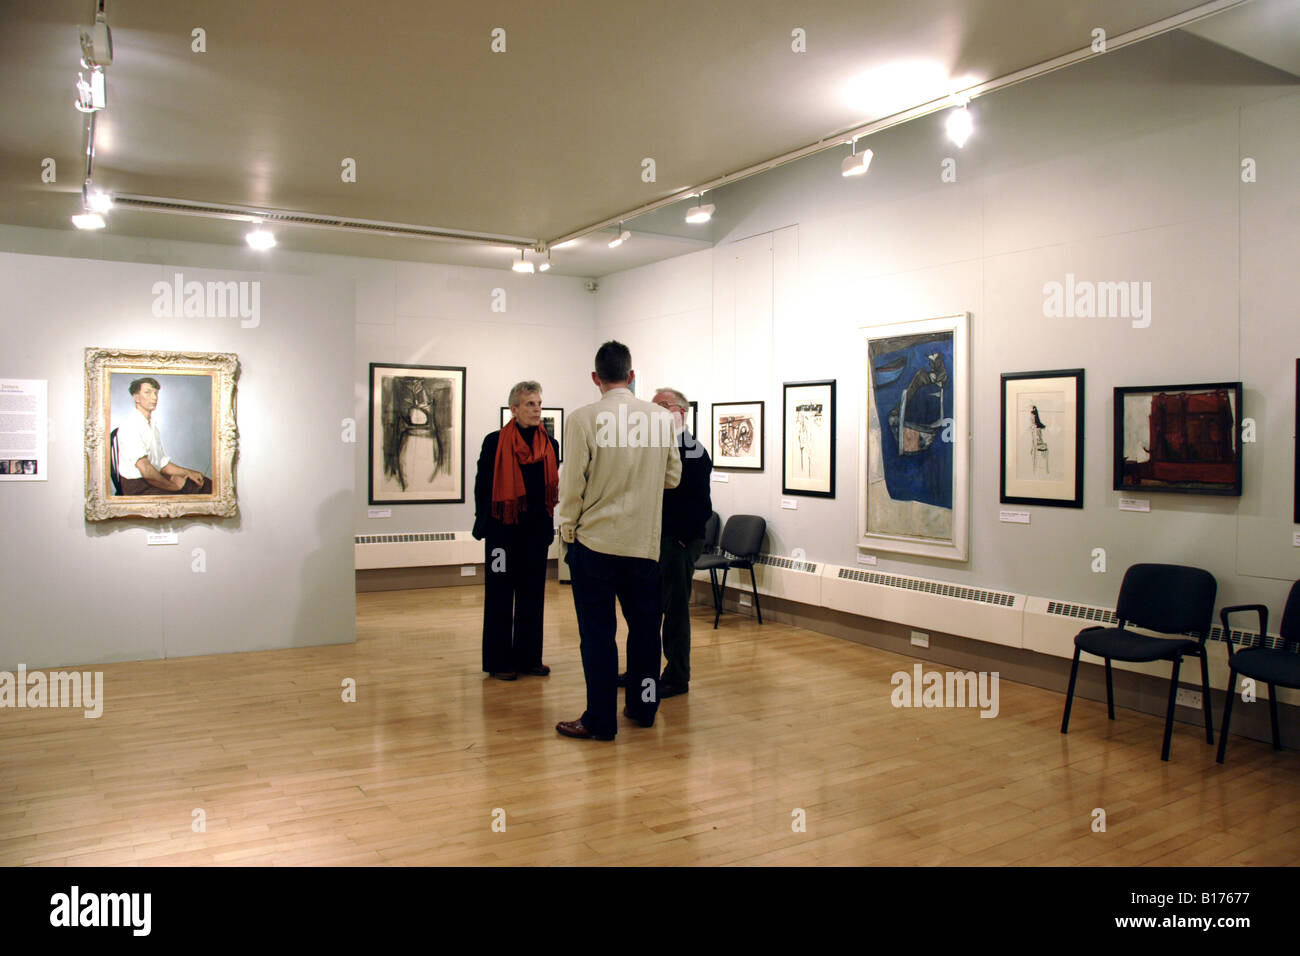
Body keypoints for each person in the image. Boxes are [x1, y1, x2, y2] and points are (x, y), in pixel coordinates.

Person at [555, 342, 681, 741]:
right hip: (643, 545)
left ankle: (600, 720)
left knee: (597, 635)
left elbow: (572, 486)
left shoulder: (582, 419)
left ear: (596, 378)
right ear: (631, 375)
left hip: (594, 544)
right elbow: (673, 477)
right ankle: (644, 709)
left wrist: (568, 531)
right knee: (645, 632)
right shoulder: (660, 419)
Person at [472, 381, 560, 681]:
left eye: (538, 404)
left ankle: (529, 658)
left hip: (535, 535)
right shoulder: (495, 442)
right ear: (514, 409)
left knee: (532, 595)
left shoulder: (551, 445)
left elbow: (549, 493)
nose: (536, 410)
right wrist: (485, 524)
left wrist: (548, 529)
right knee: (499, 595)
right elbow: (482, 486)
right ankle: (498, 661)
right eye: (529, 405)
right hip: (502, 534)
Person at [651, 388, 712, 698]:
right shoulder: (656, 447)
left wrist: (681, 541)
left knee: (674, 610)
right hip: (656, 541)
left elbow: (699, 507)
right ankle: (645, 669)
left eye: (661, 406)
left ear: (680, 413)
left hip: (678, 542)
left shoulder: (694, 453)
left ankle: (677, 675)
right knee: (648, 609)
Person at [116, 377, 213, 495]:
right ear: (136, 397)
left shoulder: (151, 426)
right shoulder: (130, 426)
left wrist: (188, 473)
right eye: (148, 392)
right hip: (138, 487)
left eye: (156, 393)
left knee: (205, 484)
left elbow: (162, 464)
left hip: (153, 478)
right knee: (194, 493)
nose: (154, 397)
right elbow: (146, 470)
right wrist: (174, 486)